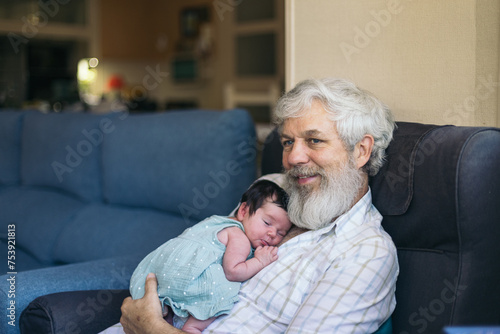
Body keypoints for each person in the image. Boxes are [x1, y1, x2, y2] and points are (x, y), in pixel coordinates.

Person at [119, 77, 399, 334]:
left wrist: (153, 329)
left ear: (361, 151)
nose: (294, 157)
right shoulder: (272, 187)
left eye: (314, 140)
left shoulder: (366, 252)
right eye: (288, 142)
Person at [108, 180, 291, 334]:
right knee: (223, 289)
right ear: (243, 211)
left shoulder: (215, 221)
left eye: (281, 233)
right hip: (190, 278)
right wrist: (260, 261)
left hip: (163, 269)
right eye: (267, 223)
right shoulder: (238, 236)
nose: (272, 234)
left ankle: (166, 311)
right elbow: (233, 271)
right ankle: (192, 327)